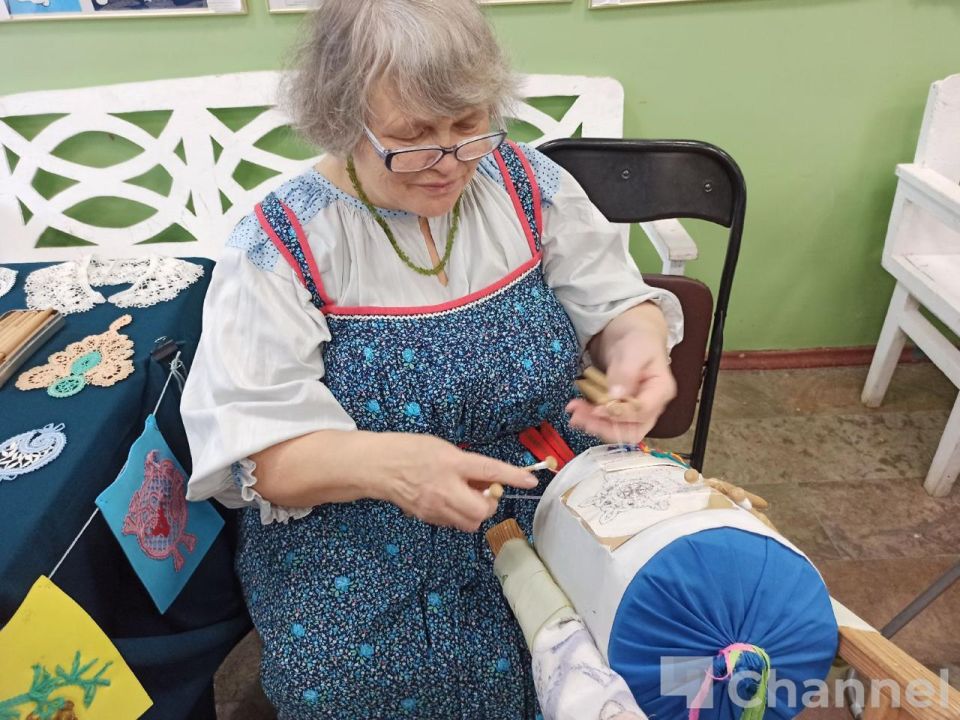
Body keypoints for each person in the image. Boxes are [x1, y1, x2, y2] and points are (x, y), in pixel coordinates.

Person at [181, 0, 682, 716]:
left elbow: (616, 303)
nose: (448, 163)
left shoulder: (523, 184)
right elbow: (263, 459)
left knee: (658, 638)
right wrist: (395, 466)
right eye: (412, 137)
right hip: (362, 526)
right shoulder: (282, 244)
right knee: (372, 689)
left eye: (467, 126)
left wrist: (635, 350)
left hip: (549, 484)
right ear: (342, 119)